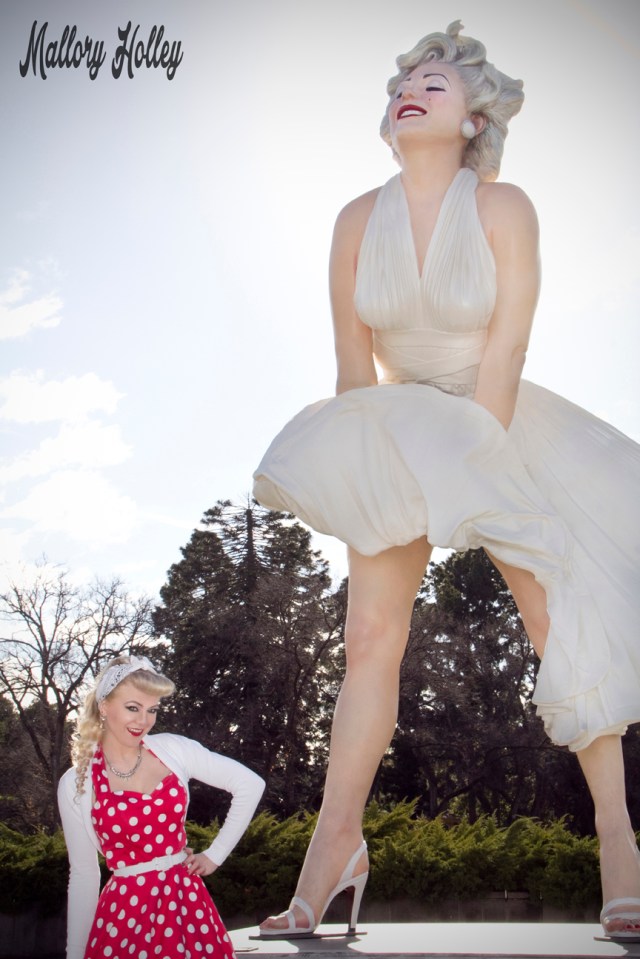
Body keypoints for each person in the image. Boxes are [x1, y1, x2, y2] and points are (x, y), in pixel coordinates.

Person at [252, 20, 640, 944]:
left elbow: (506, 346)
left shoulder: (506, 209)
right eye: (403, 82)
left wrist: (479, 466)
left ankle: (619, 842)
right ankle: (334, 846)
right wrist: (363, 475)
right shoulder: (354, 218)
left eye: (435, 80)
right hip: (394, 423)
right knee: (369, 634)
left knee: (553, 619)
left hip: (495, 417)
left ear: (475, 120)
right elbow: (354, 368)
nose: (411, 90)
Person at [58, 654, 265, 959]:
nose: (143, 721)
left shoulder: (173, 749)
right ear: (104, 706)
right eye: (133, 708)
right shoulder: (76, 782)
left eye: (151, 710)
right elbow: (85, 875)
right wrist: (74, 954)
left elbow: (250, 784)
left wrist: (215, 855)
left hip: (187, 909)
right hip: (124, 918)